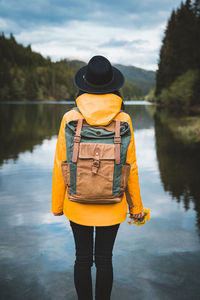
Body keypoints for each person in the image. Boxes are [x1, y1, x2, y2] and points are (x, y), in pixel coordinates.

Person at [51, 55, 144, 300]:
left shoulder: (70, 118)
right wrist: (137, 207)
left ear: (85, 85)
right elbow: (130, 166)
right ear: (114, 86)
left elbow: (60, 164)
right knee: (105, 260)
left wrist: (57, 205)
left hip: (76, 202)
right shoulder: (123, 119)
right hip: (113, 203)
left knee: (82, 259)